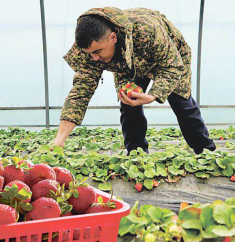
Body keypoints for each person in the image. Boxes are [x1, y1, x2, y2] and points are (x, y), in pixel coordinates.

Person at [53, 7, 216, 154]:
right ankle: (137, 155)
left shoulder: (146, 29)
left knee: (182, 103)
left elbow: (172, 65)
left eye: (98, 51)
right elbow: (80, 93)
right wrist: (59, 139)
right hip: (128, 65)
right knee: (128, 103)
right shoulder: (90, 50)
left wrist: (154, 94)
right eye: (90, 53)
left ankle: (206, 151)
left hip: (169, 61)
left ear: (113, 37)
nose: (94, 58)